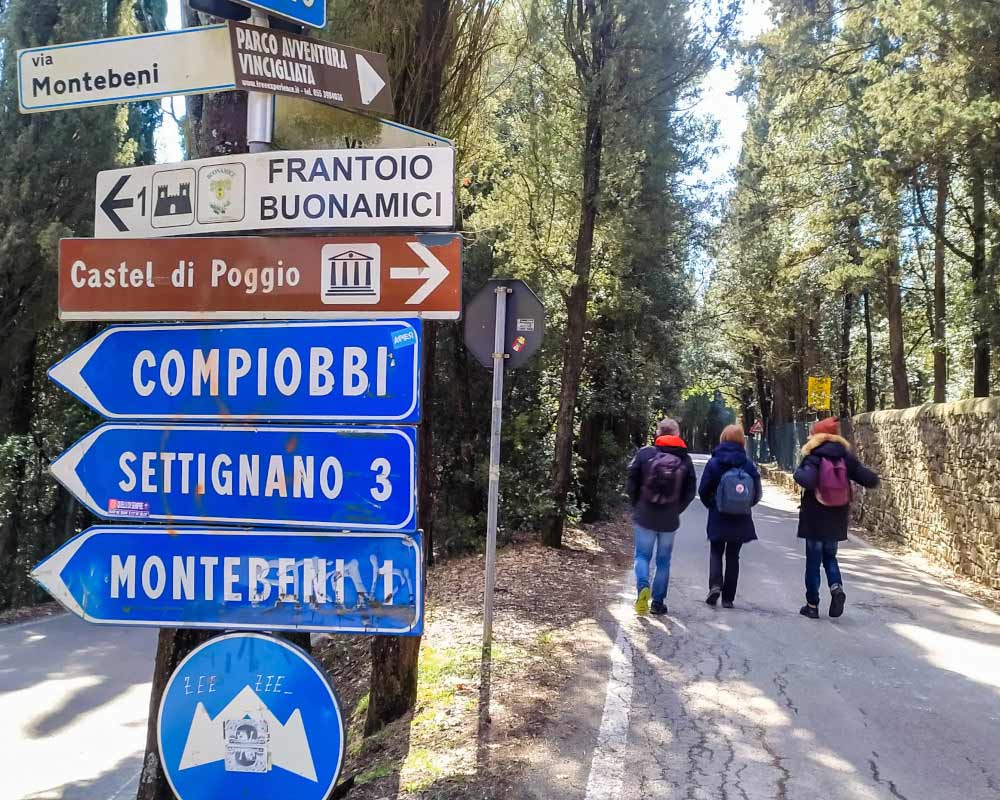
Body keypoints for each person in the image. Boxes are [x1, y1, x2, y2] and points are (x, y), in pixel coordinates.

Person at [793, 416, 879, 619]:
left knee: (813, 562)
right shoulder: (845, 457)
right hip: (837, 516)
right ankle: (836, 587)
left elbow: (807, 480)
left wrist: (798, 472)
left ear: (816, 436)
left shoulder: (813, 456)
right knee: (830, 556)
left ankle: (812, 605)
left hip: (815, 517)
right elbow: (869, 479)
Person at [626, 417, 696, 616]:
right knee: (663, 561)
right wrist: (677, 508)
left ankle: (642, 588)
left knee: (642, 556)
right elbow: (691, 490)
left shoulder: (645, 454)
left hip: (645, 514)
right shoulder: (685, 459)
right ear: (676, 435)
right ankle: (658, 603)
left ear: (657, 433)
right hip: (669, 518)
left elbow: (631, 478)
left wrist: (637, 504)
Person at [697, 425, 762, 608]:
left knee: (716, 551)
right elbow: (757, 493)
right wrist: (745, 505)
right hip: (741, 517)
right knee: (733, 556)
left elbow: (703, 490)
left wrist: (712, 504)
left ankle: (715, 585)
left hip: (718, 514)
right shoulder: (748, 464)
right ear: (742, 440)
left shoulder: (715, 462)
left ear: (722, 438)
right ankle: (728, 599)